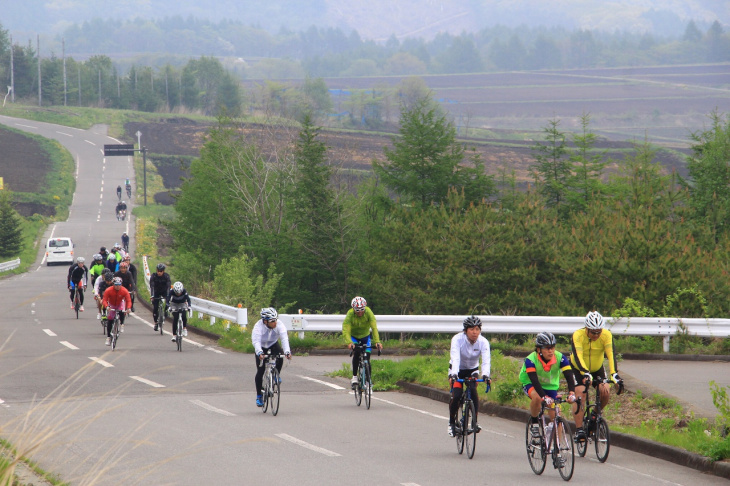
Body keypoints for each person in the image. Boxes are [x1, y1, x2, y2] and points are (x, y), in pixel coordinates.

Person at [570, 311, 624, 441]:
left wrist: (614, 375)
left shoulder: (606, 335)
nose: (596, 335)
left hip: (597, 368)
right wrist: (585, 373)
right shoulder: (577, 335)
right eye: (593, 332)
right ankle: (579, 430)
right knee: (580, 394)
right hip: (578, 368)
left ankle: (594, 416)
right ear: (587, 328)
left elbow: (611, 355)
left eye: (598, 332)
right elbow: (578, 356)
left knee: (605, 391)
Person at [519, 332, 576, 441]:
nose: (551, 351)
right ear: (539, 349)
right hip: (531, 383)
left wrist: (571, 393)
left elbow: (569, 376)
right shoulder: (530, 359)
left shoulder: (560, 357)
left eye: (552, 347)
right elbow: (534, 380)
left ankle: (557, 448)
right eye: (547, 348)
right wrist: (543, 397)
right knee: (537, 398)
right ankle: (535, 423)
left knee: (557, 415)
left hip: (550, 387)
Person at [447, 315, 491, 437]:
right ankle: (451, 423)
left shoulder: (483, 342)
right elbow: (455, 358)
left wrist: (486, 375)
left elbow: (486, 361)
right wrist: (454, 374)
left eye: (477, 329)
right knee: (456, 395)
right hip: (457, 369)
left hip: (472, 369)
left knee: (472, 389)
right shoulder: (457, 339)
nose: (474, 332)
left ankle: (474, 422)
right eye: (471, 329)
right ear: (465, 330)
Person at [251, 307, 292, 407]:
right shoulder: (258, 327)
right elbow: (256, 341)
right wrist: (259, 352)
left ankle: (276, 375)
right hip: (261, 346)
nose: (275, 323)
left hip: (273, 344)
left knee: (280, 356)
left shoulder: (280, 325)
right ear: (265, 321)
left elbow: (284, 338)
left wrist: (287, 352)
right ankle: (259, 396)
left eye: (276, 320)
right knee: (260, 371)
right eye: (272, 321)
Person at [342, 296, 382, 389]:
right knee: (357, 353)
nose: (360, 312)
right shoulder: (350, 314)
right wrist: (349, 342)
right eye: (357, 310)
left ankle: (368, 381)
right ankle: (355, 377)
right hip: (354, 337)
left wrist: (377, 341)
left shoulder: (368, 312)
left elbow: (374, 328)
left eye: (362, 310)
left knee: (367, 358)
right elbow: (346, 330)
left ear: (365, 308)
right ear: (353, 309)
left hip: (365, 337)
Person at [102, 277, 131, 345]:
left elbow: (128, 300)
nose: (117, 286)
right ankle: (108, 337)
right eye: (116, 284)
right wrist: (107, 307)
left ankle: (121, 324)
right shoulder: (108, 290)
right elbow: (104, 300)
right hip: (111, 304)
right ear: (113, 284)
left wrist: (128, 308)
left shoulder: (124, 290)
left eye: (119, 284)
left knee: (122, 311)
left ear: (121, 284)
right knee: (110, 320)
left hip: (120, 303)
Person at [150, 263, 171, 331]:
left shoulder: (166, 276)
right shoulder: (153, 276)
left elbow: (168, 287)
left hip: (164, 291)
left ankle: (165, 313)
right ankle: (156, 323)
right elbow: (152, 287)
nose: (159, 272)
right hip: (156, 292)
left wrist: (168, 296)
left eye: (161, 271)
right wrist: (152, 295)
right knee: (155, 308)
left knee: (167, 304)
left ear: (163, 271)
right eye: (158, 271)